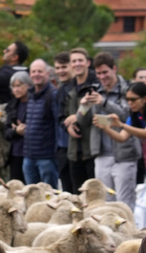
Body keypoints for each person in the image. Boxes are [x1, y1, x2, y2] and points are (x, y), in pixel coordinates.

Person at [77, 52, 139, 209]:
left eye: (105, 72)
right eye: (98, 73)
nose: (102, 76)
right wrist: (83, 106)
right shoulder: (94, 91)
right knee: (106, 204)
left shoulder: (128, 90)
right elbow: (82, 122)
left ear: (114, 69)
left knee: (125, 203)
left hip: (124, 155)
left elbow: (128, 115)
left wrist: (104, 102)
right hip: (102, 154)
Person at [100, 81, 146, 183]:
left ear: (145, 99)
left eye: (133, 99)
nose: (129, 103)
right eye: (127, 99)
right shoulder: (135, 114)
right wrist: (106, 128)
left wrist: (121, 125)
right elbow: (122, 137)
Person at [61, 47, 98, 192]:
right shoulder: (66, 89)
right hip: (73, 150)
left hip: (92, 149)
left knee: (94, 195)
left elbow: (93, 115)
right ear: (70, 65)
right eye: (74, 61)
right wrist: (67, 126)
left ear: (88, 62)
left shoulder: (96, 84)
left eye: (80, 60)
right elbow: (61, 116)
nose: (77, 64)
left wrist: (76, 116)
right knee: (77, 195)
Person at [22, 59, 58, 187]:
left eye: (40, 71)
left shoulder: (53, 94)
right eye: (33, 71)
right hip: (29, 156)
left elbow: (57, 123)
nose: (36, 74)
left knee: (49, 196)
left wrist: (55, 152)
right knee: (31, 196)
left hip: (46, 157)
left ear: (47, 74)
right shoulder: (31, 95)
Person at [53, 52, 74, 192]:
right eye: (58, 68)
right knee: (66, 188)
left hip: (75, 147)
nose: (60, 71)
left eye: (64, 67)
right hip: (61, 146)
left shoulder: (77, 87)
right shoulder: (60, 89)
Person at [5, 72, 32, 183]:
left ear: (28, 85)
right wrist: (16, 131)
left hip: (31, 152)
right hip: (15, 153)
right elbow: (6, 132)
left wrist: (26, 129)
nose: (16, 89)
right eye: (13, 86)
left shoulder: (34, 103)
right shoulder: (12, 106)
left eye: (19, 85)